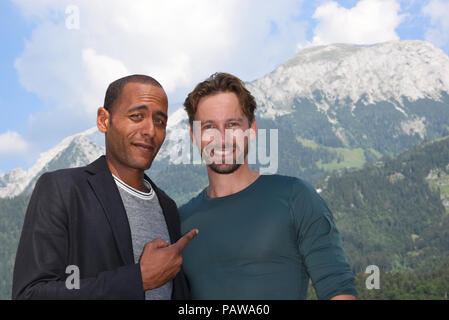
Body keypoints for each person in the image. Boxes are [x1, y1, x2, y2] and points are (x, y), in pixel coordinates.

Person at [12, 74, 198, 300]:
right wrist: (138, 278)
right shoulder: (63, 190)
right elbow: (30, 294)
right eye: (137, 116)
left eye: (159, 121)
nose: (150, 130)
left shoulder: (167, 206)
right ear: (103, 120)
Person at [179, 72, 357, 300]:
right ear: (194, 136)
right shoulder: (181, 221)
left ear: (251, 130)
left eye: (232, 124)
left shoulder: (295, 197)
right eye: (209, 127)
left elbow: (338, 289)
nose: (221, 138)